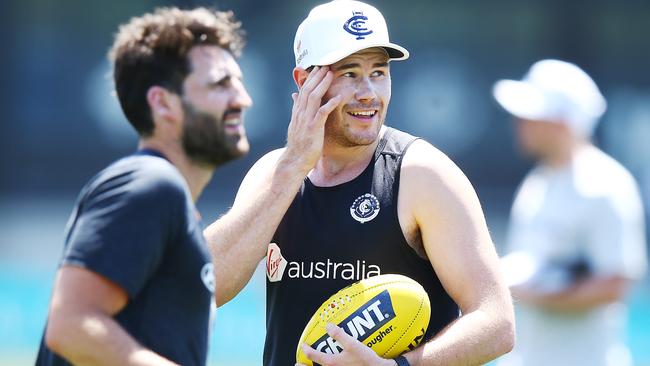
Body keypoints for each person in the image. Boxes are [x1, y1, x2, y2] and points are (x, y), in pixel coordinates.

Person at [206, 1, 515, 365]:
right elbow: (202, 287)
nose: (368, 92)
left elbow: (497, 322)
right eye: (349, 74)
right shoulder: (273, 174)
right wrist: (291, 169)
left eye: (379, 72)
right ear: (305, 81)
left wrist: (402, 365)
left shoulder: (421, 174)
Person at [35, 7, 252, 366]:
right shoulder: (151, 184)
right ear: (162, 102)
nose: (242, 99)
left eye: (239, 83)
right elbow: (70, 325)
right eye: (220, 83)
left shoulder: (167, 197)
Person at [493, 59, 647, 366]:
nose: (520, 123)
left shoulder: (606, 185)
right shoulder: (539, 180)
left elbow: (616, 283)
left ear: (562, 122)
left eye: (532, 116)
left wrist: (532, 293)